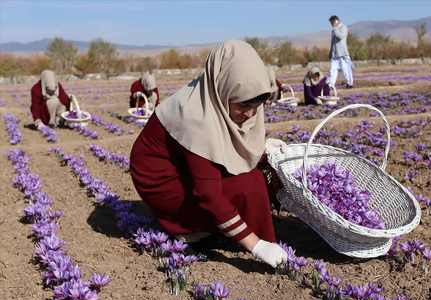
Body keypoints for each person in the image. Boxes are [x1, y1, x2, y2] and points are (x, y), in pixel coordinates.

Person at [129, 39, 289, 268]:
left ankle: (226, 229)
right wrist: (257, 246)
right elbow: (208, 193)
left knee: (252, 176)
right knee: (245, 185)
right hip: (163, 179)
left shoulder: (221, 97)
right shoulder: (196, 117)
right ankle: (188, 234)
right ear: (224, 90)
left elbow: (225, 143)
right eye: (243, 106)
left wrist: (261, 146)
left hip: (185, 163)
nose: (251, 114)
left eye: (258, 105)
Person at [328, 15, 354, 89]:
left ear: (335, 21)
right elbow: (332, 42)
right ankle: (330, 85)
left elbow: (341, 36)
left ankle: (350, 83)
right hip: (334, 53)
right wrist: (330, 52)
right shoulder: (334, 30)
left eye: (332, 23)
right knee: (333, 69)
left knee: (346, 68)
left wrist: (336, 28)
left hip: (342, 52)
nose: (331, 25)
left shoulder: (343, 27)